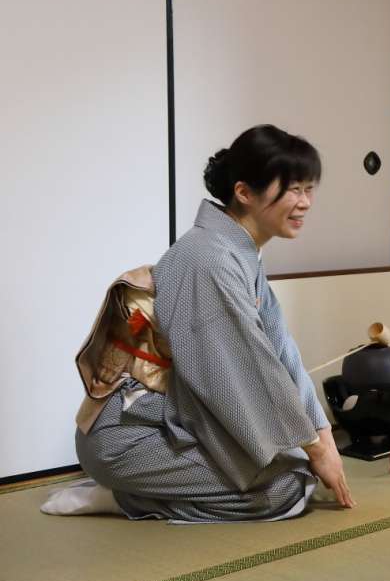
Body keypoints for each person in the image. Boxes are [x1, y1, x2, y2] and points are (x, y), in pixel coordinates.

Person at [42, 124, 356, 522]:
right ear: (244, 192)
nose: (306, 202)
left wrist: (322, 438)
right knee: (283, 490)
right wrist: (312, 448)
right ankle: (122, 498)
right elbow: (243, 373)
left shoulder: (239, 252)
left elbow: (282, 354)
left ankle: (140, 492)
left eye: (309, 188)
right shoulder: (207, 260)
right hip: (130, 437)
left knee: (295, 463)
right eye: (293, 188)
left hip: (172, 420)